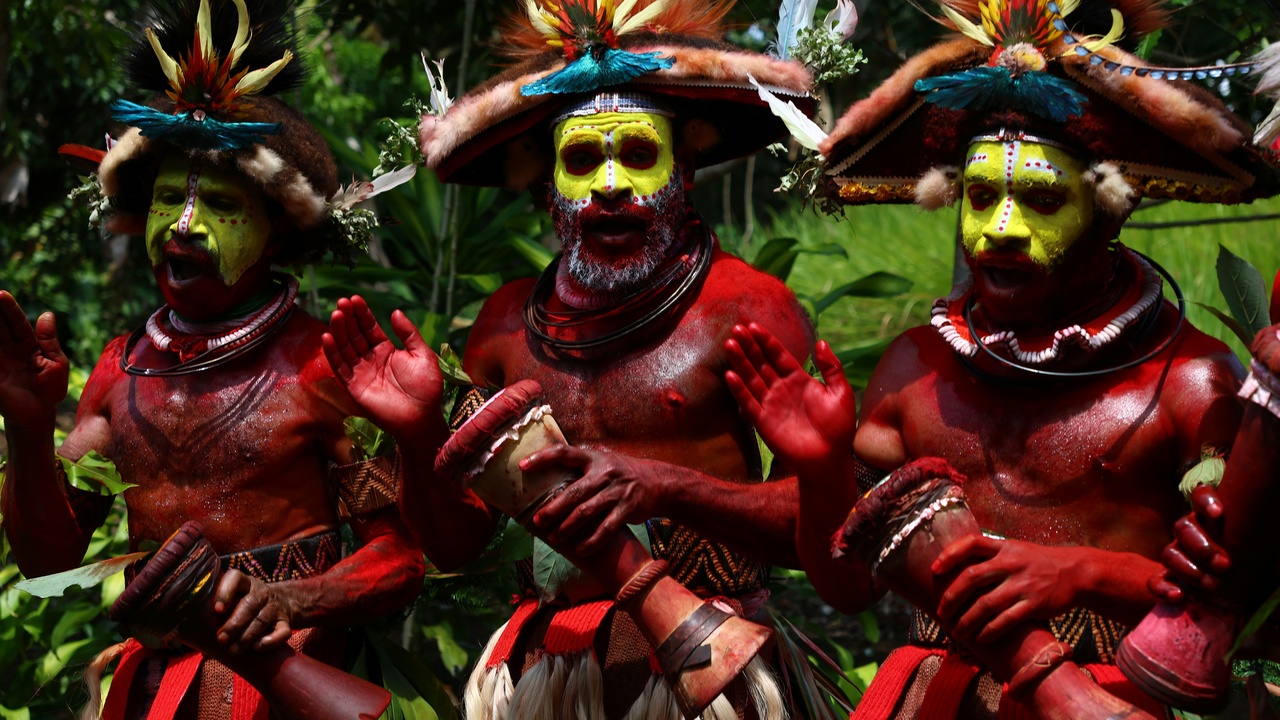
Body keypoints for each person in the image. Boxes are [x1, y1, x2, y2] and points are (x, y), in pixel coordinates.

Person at [723, 0, 1280, 717]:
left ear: (1110, 210)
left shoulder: (1189, 383)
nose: (1001, 230)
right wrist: (824, 468)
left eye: (1043, 199)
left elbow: (1240, 599)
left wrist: (1083, 574)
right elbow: (849, 586)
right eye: (981, 197)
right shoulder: (914, 368)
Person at [322, 1, 817, 718]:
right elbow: (458, 545)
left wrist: (667, 486)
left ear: (685, 168)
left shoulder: (746, 308)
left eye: (639, 155)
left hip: (713, 661)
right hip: (547, 670)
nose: (610, 185)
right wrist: (420, 431)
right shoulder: (502, 328)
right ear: (550, 187)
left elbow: (819, 526)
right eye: (582, 160)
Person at [0, 1, 424, 717]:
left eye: (221, 205)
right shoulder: (120, 372)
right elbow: (49, 557)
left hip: (292, 684)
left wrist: (287, 599)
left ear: (276, 233)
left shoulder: (326, 368)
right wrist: (29, 431)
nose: (186, 225)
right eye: (170, 198)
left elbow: (402, 558)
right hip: (152, 690)